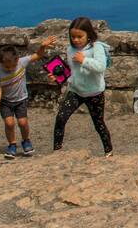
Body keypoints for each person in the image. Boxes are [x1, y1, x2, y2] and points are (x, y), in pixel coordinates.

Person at [46, 17, 113, 157]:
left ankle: (109, 152)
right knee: (61, 118)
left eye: (79, 36)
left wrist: (84, 60)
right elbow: (72, 71)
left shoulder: (96, 47)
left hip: (94, 93)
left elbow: (101, 67)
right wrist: (58, 78)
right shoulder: (70, 49)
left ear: (88, 34)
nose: (76, 40)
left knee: (99, 124)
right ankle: (56, 151)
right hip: (75, 91)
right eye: (73, 37)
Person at [0, 41, 49, 159]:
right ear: (0, 63)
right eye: (7, 67)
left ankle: (26, 141)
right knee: (9, 123)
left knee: (22, 122)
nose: (10, 69)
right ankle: (12, 144)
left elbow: (38, 55)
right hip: (5, 101)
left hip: (21, 99)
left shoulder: (22, 62)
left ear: (17, 60)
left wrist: (42, 46)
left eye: (13, 66)